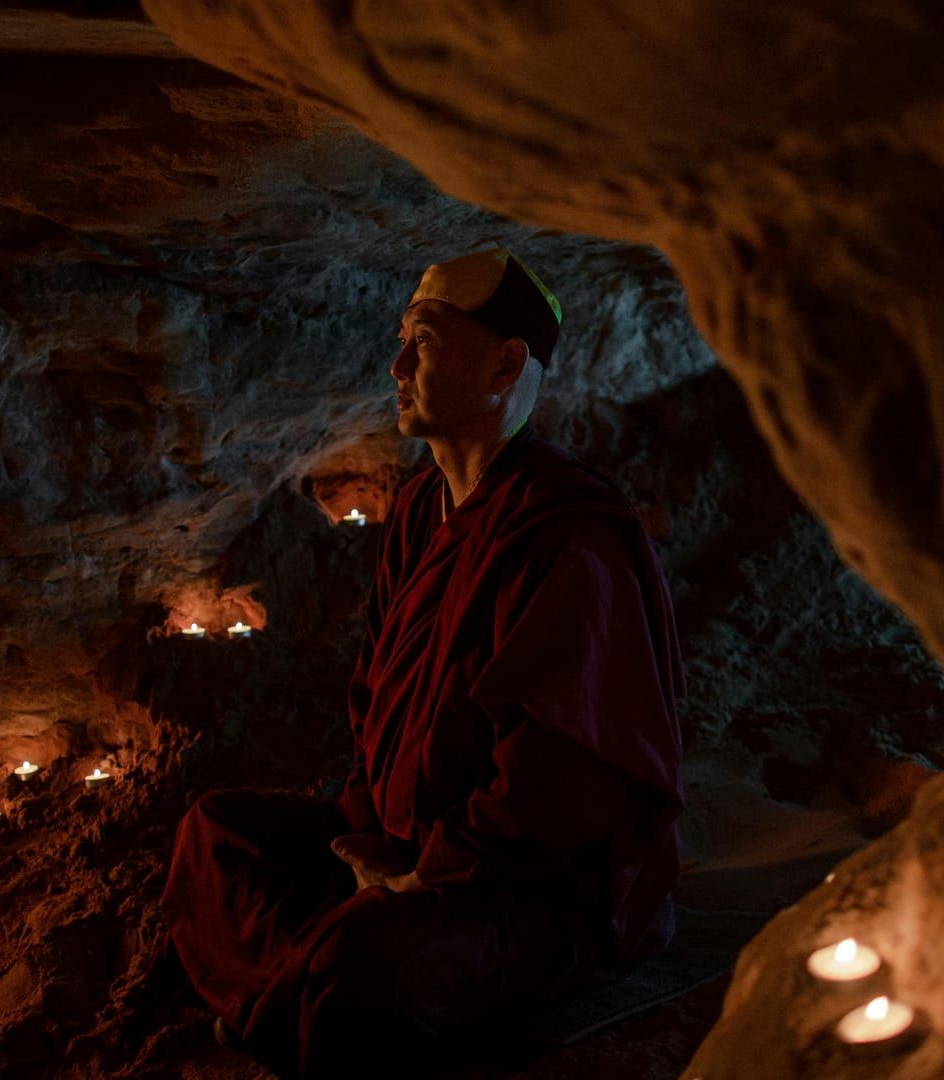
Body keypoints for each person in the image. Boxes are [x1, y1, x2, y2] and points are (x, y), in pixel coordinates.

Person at [161, 248, 685, 1077]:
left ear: (505, 364)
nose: (397, 366)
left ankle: (293, 986)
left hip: (520, 886)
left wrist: (424, 872)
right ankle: (300, 992)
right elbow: (378, 690)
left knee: (369, 958)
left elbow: (562, 788)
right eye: (404, 340)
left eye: (427, 343)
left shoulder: (570, 539)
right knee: (214, 834)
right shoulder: (416, 511)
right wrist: (368, 830)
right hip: (401, 842)